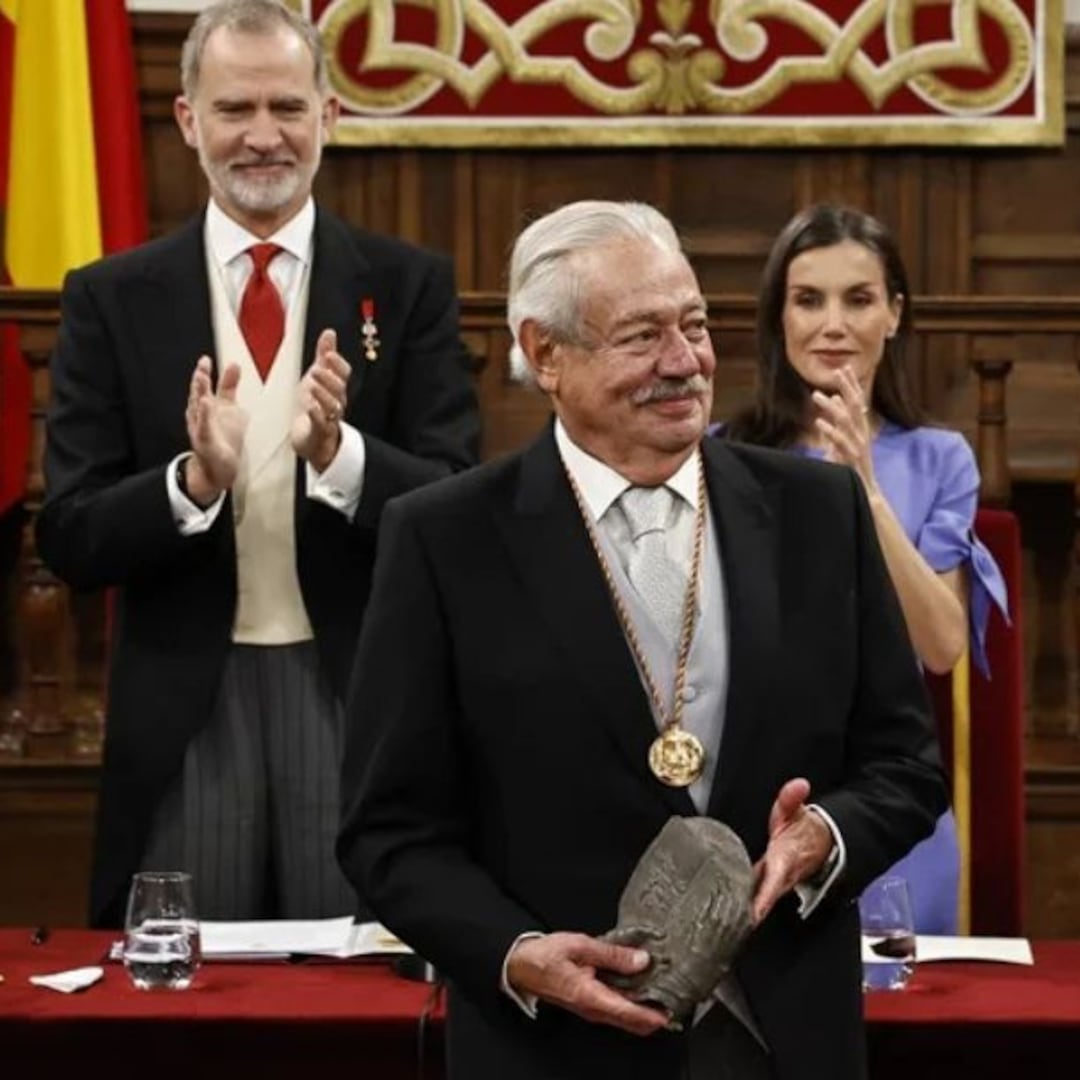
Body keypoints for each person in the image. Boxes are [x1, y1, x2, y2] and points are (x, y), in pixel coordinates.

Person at [337, 200, 948, 1080]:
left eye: (694, 325)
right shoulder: (444, 540)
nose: (684, 362)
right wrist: (515, 952)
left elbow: (906, 764)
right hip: (551, 1049)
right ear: (545, 353)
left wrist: (824, 834)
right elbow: (386, 834)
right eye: (641, 337)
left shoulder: (819, 513)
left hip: (786, 1040)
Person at [36, 0, 480, 928]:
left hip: (355, 695)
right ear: (189, 120)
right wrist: (189, 484)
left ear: (329, 115)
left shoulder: (406, 287)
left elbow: (457, 504)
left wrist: (341, 454)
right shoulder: (112, 299)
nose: (263, 137)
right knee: (182, 1016)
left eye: (287, 107)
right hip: (187, 710)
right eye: (236, 110)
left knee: (365, 1013)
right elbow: (71, 535)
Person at [722, 203, 1009, 934]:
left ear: (894, 314)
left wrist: (864, 488)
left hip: (890, 803)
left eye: (859, 299)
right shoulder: (725, 455)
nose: (833, 324)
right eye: (808, 299)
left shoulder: (940, 458)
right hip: (753, 801)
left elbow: (942, 647)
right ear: (778, 318)